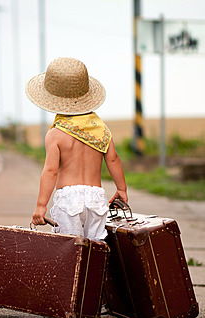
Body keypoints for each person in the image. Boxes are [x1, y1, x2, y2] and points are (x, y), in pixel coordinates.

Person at [25, 57, 128, 240]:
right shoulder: (101, 130)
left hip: (68, 199)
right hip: (96, 197)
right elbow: (113, 159)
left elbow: (50, 171)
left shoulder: (55, 135)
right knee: (96, 248)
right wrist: (122, 189)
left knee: (69, 249)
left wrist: (41, 205)